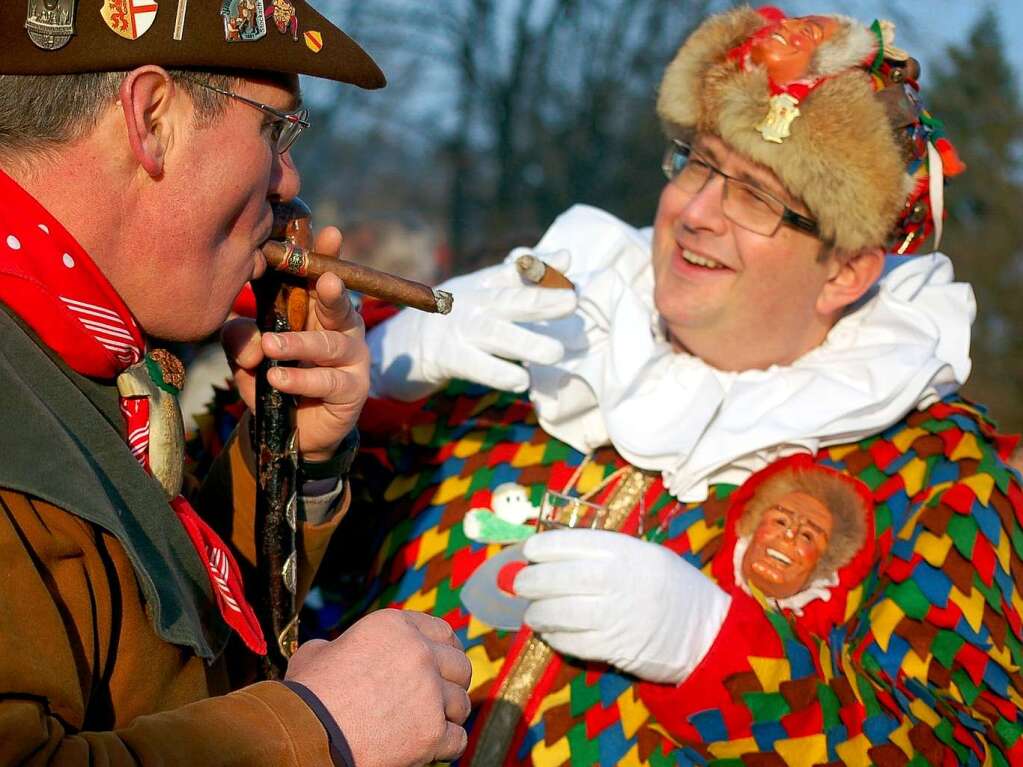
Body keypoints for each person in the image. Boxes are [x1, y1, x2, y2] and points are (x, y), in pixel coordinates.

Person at [343, 6, 1023, 765]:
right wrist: (362, 393)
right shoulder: (531, 345)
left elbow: (971, 746)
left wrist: (715, 654)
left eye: (757, 196)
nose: (695, 213)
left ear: (845, 269)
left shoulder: (934, 476)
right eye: (699, 164)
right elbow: (259, 592)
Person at [0, 4, 471, 766]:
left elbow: (149, 657)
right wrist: (317, 728)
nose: (289, 181)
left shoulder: (63, 353)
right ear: (151, 117)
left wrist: (290, 456)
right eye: (274, 130)